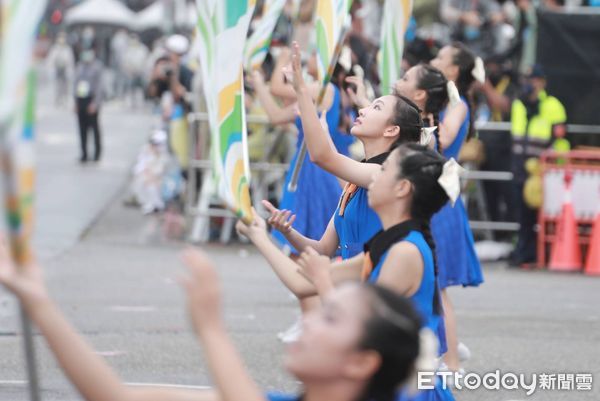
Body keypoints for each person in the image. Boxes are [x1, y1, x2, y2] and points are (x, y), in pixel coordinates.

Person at [0, 237, 431, 401]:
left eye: (331, 319)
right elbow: (116, 397)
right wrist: (39, 302)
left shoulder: (409, 248)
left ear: (362, 362)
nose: (309, 322)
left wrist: (210, 329)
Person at [237, 144, 458, 401]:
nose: (374, 176)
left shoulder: (405, 251)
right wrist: (259, 234)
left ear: (402, 188)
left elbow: (362, 334)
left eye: (384, 170)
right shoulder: (387, 245)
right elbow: (299, 283)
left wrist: (322, 279)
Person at [429, 43, 484, 372]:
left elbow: (445, 139)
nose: (433, 61)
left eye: (440, 59)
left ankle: (451, 363)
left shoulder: (457, 104)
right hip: (432, 194)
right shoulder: (447, 103)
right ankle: (448, 348)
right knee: (430, 284)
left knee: (438, 286)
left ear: (452, 71)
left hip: (439, 199)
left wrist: (423, 116)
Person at [510, 64, 566, 267]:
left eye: (533, 80)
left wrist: (554, 167)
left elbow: (560, 140)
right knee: (521, 214)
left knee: (539, 215)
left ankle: (536, 254)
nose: (529, 84)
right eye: (526, 80)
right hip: (519, 167)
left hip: (541, 171)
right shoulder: (519, 104)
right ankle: (524, 252)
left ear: (542, 82)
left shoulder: (553, 105)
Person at [74, 49, 104, 163]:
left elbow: (100, 87)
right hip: (81, 98)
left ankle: (97, 154)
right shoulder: (79, 67)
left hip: (92, 99)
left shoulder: (97, 67)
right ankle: (84, 154)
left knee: (94, 129)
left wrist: (95, 103)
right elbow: (75, 84)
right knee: (82, 129)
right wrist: (75, 102)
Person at [46, 32, 75, 107]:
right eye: (60, 38)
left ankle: (65, 100)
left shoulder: (67, 49)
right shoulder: (55, 48)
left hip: (65, 69)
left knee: (65, 86)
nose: (62, 40)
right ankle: (58, 100)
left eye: (63, 38)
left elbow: (70, 60)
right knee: (58, 86)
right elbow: (51, 60)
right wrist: (51, 69)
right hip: (57, 69)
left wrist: (70, 70)